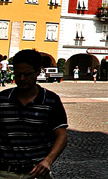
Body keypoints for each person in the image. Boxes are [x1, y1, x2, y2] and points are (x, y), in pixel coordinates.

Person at [0, 49, 68, 178]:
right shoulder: (2, 99)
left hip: (36, 172)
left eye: (27, 74)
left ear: (38, 71)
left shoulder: (51, 100)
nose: (22, 79)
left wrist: (48, 161)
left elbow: (61, 136)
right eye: (18, 74)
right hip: (5, 172)